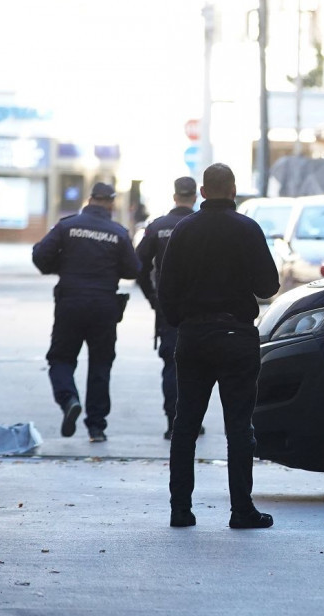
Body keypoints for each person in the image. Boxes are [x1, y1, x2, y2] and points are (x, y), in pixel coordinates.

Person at [158, 163, 280, 529]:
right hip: (236, 337)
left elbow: (166, 288)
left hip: (194, 337)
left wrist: (185, 321)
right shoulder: (247, 229)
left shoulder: (183, 229)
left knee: (185, 426)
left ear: (203, 192)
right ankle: (241, 510)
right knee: (240, 428)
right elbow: (268, 286)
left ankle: (181, 509)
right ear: (233, 190)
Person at [32, 182, 141, 443]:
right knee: (101, 365)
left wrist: (62, 266)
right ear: (111, 204)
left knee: (61, 359)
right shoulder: (118, 233)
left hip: (70, 302)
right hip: (104, 306)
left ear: (90, 199)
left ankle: (69, 398)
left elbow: (40, 256)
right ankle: (96, 427)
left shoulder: (67, 226)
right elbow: (133, 269)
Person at [135, 176, 204, 439]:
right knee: (198, 366)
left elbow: (137, 266)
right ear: (195, 197)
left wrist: (153, 298)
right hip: (200, 308)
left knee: (172, 364)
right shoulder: (202, 226)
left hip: (168, 307)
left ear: (174, 196)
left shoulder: (158, 227)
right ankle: (192, 421)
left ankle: (173, 422)